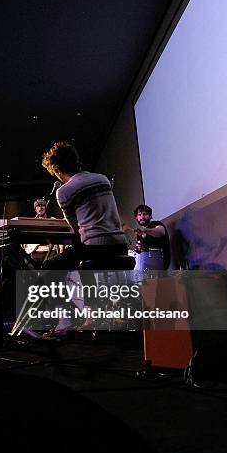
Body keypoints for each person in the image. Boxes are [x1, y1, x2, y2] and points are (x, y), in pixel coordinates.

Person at [35, 142, 128, 337]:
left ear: (57, 169)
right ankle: (91, 316)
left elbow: (75, 228)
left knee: (49, 267)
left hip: (96, 246)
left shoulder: (64, 191)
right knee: (72, 261)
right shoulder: (102, 179)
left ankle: (65, 321)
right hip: (120, 244)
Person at [133, 204, 170, 270]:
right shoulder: (139, 233)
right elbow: (141, 249)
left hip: (160, 261)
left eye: (145, 214)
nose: (142, 217)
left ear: (150, 216)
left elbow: (161, 232)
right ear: (136, 217)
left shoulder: (156, 224)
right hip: (147, 263)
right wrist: (139, 248)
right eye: (139, 215)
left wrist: (145, 230)